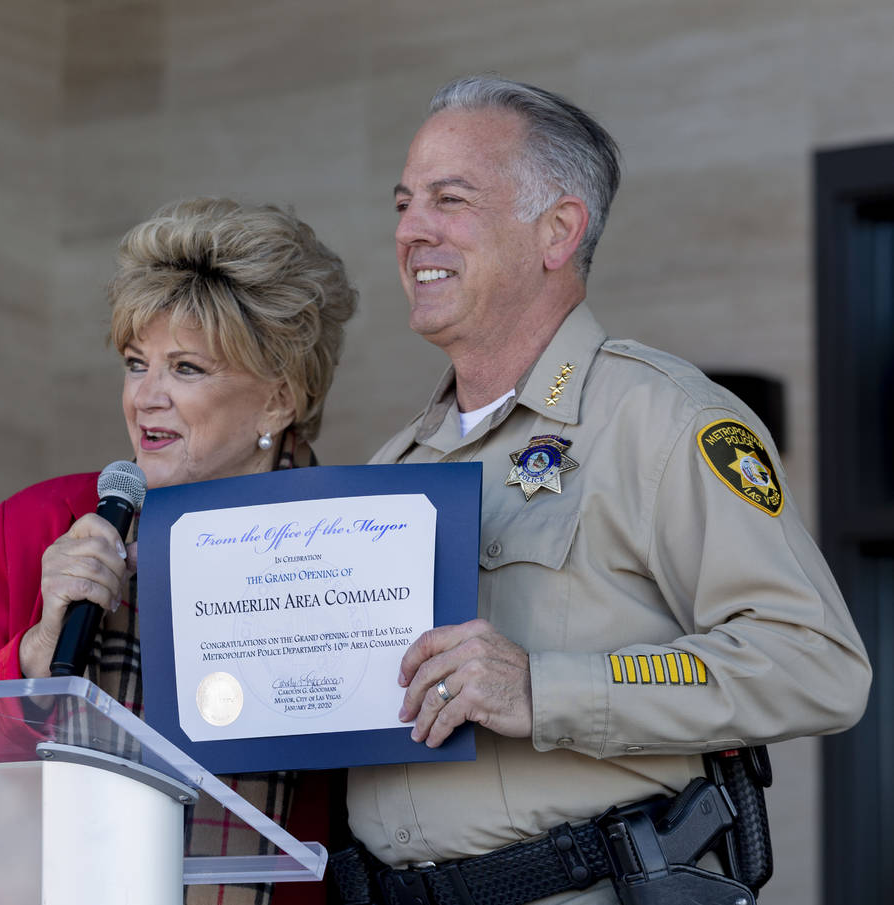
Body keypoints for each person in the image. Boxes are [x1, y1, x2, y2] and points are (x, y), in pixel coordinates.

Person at [335, 76, 872, 905]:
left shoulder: (664, 419)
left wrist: (545, 689)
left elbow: (816, 662)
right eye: (404, 203)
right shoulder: (392, 470)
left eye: (450, 199)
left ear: (557, 231)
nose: (411, 231)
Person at [0, 197, 358, 905]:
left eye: (185, 369)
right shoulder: (36, 526)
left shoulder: (353, 546)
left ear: (278, 399)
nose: (146, 397)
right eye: (135, 362)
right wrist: (33, 660)